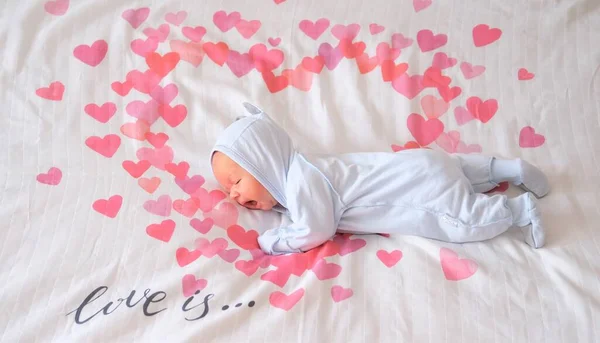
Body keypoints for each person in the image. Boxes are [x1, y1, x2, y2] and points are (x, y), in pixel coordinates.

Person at [210, 103, 549, 256]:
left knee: (462, 222)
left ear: (264, 160)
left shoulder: (301, 182)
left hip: (418, 190)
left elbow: (315, 230)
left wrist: (273, 242)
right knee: (458, 167)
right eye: (228, 190)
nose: (233, 195)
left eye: (236, 180)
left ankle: (520, 210)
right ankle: (508, 169)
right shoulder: (309, 163)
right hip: (420, 162)